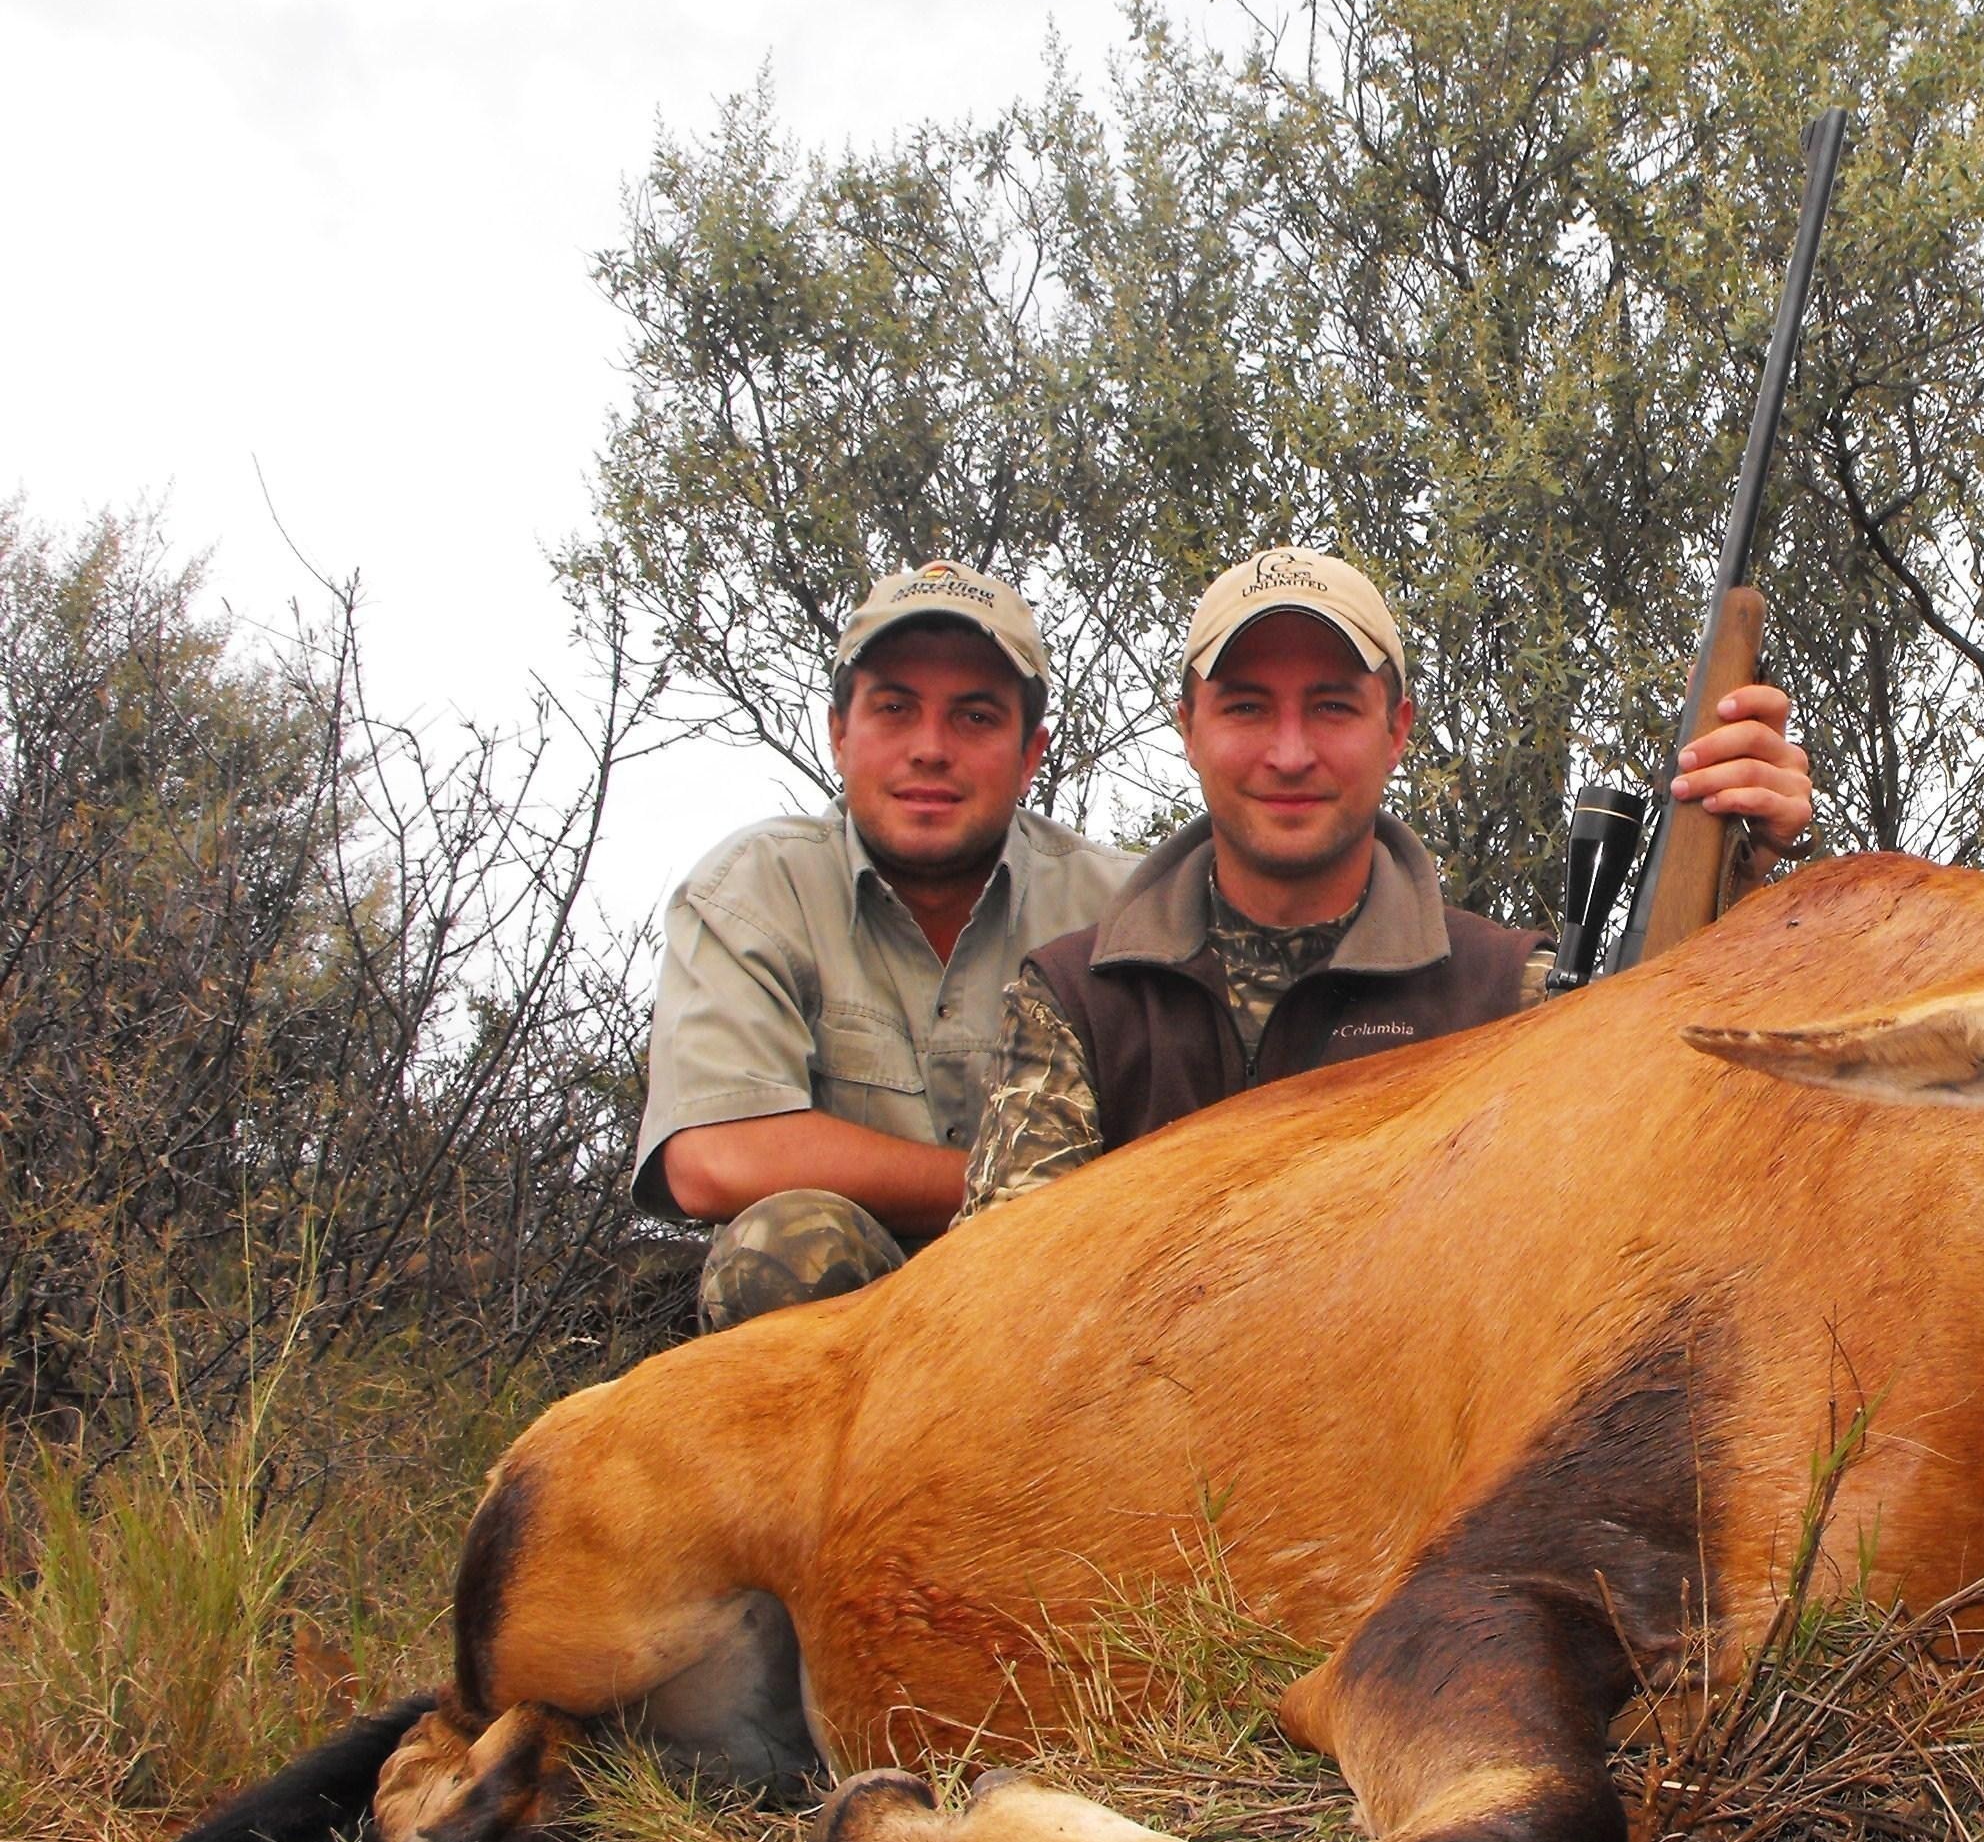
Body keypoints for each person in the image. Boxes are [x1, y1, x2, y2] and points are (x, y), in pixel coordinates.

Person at [959, 545, 1814, 1217]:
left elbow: (1669, 1178)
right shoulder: (1072, 1003)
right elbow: (1003, 1312)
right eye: (1247, 707)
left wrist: (1737, 878)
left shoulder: (1511, 996)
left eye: (1331, 707)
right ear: (1187, 728)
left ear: (1396, 728)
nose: (1290, 754)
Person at [632, 562, 1130, 1331]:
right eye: (895, 709)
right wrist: (1008, 1186)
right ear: (839, 733)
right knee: (782, 1246)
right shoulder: (754, 888)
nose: (929, 749)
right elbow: (711, 1159)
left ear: (1031, 754)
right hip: (858, 1338)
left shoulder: (1126, 906)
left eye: (974, 718)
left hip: (1074, 1305)